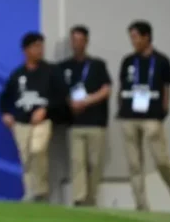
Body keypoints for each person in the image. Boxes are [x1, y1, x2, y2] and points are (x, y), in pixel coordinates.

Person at [0, 32, 65, 202]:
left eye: (41, 46)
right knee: (26, 157)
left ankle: (41, 191)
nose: (39, 50)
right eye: (35, 46)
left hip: (42, 122)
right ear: (26, 50)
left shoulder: (51, 71)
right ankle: (30, 193)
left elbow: (61, 96)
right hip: (21, 122)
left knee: (37, 150)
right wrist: (5, 113)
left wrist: (46, 109)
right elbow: (5, 98)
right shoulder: (18, 74)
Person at [118, 21, 170, 211]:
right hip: (129, 116)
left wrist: (163, 112)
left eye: (135, 37)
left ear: (146, 37)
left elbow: (167, 89)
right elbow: (122, 87)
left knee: (161, 161)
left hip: (152, 116)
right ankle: (141, 205)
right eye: (131, 37)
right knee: (134, 164)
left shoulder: (162, 61)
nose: (132, 41)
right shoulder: (128, 61)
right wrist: (122, 108)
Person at [59, 26, 111, 207]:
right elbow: (60, 91)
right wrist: (70, 103)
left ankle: (92, 198)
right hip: (74, 123)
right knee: (77, 162)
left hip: (96, 122)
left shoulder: (98, 65)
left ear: (86, 41)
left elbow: (106, 89)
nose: (77, 44)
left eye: (80, 40)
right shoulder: (64, 66)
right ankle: (79, 199)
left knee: (94, 163)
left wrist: (87, 101)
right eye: (74, 40)